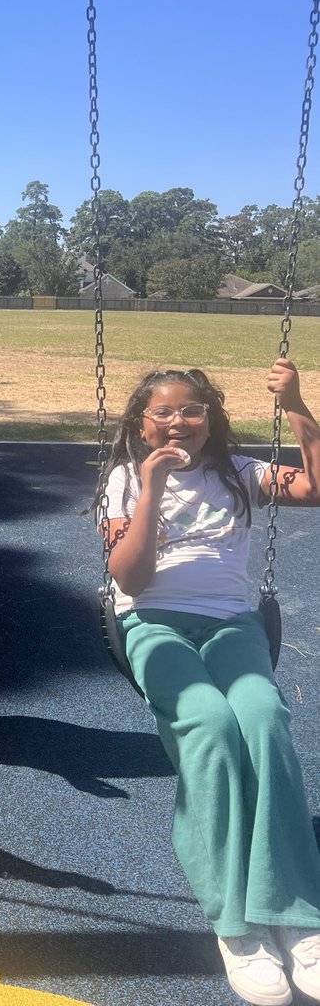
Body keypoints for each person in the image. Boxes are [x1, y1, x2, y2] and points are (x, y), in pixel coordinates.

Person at [100, 356, 320, 1006]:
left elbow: (316, 487)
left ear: (210, 418)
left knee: (264, 718)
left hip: (230, 624)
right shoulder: (124, 479)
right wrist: (150, 487)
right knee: (211, 724)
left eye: (190, 409)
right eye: (162, 412)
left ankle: (294, 912)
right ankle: (237, 927)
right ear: (141, 425)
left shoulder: (239, 474)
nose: (178, 421)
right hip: (152, 625)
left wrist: (296, 405)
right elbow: (131, 578)